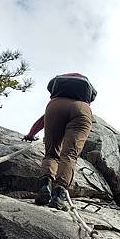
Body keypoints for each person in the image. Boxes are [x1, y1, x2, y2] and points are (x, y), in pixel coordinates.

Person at [23, 73, 96, 209]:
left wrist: (30, 135)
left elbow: (42, 120)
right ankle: (59, 196)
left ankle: (45, 186)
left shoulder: (58, 89)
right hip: (81, 109)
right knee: (69, 155)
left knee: (51, 153)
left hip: (55, 106)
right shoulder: (86, 89)